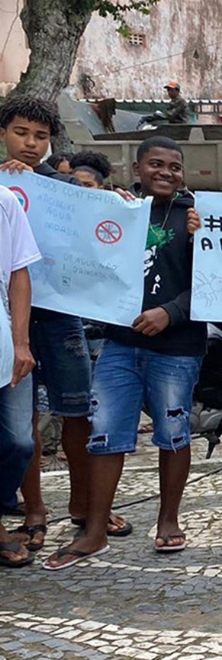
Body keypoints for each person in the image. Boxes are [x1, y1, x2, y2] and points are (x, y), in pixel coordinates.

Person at [43, 136, 205, 569]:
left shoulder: (198, 217)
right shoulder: (118, 211)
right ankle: (95, 531)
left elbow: (216, 280)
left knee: (173, 433)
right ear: (136, 169)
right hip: (120, 343)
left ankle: (168, 520)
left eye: (175, 166)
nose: (166, 173)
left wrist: (170, 313)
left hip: (177, 347)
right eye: (156, 164)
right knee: (105, 433)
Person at [0, 94, 132, 556]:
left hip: (60, 313)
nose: (31, 144)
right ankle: (33, 508)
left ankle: (83, 506)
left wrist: (118, 203)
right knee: (24, 419)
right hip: (8, 320)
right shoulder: (0, 187)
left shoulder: (64, 186)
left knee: (77, 409)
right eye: (21, 133)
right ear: (3, 134)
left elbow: (104, 219)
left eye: (40, 136)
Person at [0, 184, 40, 568]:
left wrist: (21, 342)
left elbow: (18, 273)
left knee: (19, 441)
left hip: (5, 343)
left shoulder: (5, 201)